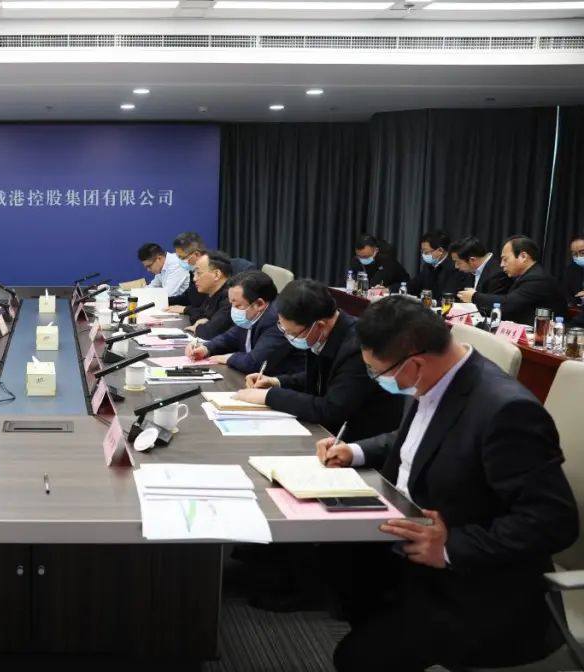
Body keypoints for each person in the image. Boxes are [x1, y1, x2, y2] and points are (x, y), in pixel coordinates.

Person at [318, 295, 577, 672]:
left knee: (357, 658)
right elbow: (418, 438)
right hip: (413, 541)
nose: (377, 381)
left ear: (414, 363)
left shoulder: (507, 411)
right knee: (332, 567)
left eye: (376, 373)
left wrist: (451, 546)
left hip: (477, 583)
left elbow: (555, 522)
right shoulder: (438, 377)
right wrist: (354, 450)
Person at [233, 279, 403, 441]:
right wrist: (277, 382)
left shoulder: (358, 348)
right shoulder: (321, 334)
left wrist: (269, 396)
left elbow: (331, 409)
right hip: (330, 432)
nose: (288, 337)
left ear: (320, 325)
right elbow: (319, 378)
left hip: (357, 441)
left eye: (293, 333)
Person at [186, 270, 303, 376]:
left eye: (238, 305)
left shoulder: (278, 320)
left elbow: (255, 363)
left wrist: (228, 358)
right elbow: (231, 336)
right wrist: (206, 348)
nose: (233, 310)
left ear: (259, 304)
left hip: (285, 383)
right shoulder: (252, 314)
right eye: (231, 304)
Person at [460, 235, 566, 324]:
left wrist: (474, 296)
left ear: (523, 257)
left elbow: (508, 303)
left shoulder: (538, 279)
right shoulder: (526, 276)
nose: (501, 265)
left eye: (505, 259)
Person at [181, 251, 234, 339]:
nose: (194, 279)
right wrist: (203, 320)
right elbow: (198, 313)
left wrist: (198, 327)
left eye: (199, 273)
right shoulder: (212, 293)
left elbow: (209, 332)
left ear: (216, 274)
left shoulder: (231, 297)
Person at [449, 235, 510, 300]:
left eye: (458, 262)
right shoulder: (468, 270)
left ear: (472, 260)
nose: (456, 266)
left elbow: (492, 302)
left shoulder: (497, 274)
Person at [413, 229, 469, 301]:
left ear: (440, 251)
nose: (423, 255)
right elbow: (413, 286)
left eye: (426, 252)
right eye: (422, 251)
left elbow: (450, 295)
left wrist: (432, 302)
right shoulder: (427, 266)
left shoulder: (456, 267)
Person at [167, 231, 207, 310]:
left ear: (196, 254)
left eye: (182, 258)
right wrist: (162, 301)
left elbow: (207, 308)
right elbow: (187, 298)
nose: (180, 261)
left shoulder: (211, 271)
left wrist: (185, 310)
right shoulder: (193, 271)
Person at [562, 233, 584, 307]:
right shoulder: (572, 269)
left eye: (582, 253)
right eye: (574, 254)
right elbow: (566, 294)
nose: (578, 257)